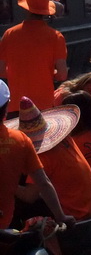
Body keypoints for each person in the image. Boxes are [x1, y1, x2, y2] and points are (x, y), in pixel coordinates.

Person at [8, 96, 91, 223]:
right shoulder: (66, 139)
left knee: (16, 198)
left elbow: (29, 196)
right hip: (90, 206)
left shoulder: (43, 157)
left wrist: (7, 183)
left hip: (74, 215)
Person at [0, 84, 75, 231]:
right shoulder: (20, 140)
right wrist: (61, 216)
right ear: (7, 107)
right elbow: (43, 183)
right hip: (5, 220)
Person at [0, 0, 68, 117]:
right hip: (44, 106)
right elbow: (62, 75)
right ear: (47, 12)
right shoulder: (56, 37)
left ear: (27, 7)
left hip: (16, 106)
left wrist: (19, 74)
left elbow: (1, 71)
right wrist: (46, 73)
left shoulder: (9, 34)